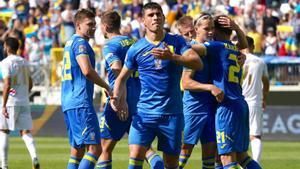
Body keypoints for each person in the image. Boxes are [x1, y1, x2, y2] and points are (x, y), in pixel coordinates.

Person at [112, 2, 203, 169]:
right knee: (135, 158)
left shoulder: (176, 41)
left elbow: (197, 63)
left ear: (163, 17)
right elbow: (121, 78)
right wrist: (117, 98)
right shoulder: (136, 48)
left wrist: (173, 57)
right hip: (144, 113)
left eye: (158, 14)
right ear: (143, 21)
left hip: (172, 114)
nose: (155, 17)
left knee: (171, 165)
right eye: (151, 15)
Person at [179, 13, 248, 169]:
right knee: (185, 151)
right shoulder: (194, 53)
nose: (210, 32)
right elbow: (186, 83)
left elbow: (239, 47)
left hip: (213, 107)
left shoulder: (213, 49)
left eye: (212, 28)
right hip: (194, 108)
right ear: (196, 29)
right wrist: (210, 87)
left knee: (212, 155)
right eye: (206, 29)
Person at [97, 10, 163, 169]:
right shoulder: (135, 42)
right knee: (145, 148)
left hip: (120, 100)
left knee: (104, 148)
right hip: (141, 100)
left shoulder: (110, 46)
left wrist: (122, 99)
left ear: (105, 27)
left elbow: (117, 68)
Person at [200, 15, 261, 169]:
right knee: (242, 156)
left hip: (227, 106)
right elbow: (244, 44)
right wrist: (236, 27)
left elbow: (193, 48)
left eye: (211, 29)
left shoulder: (217, 46)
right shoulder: (233, 48)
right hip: (240, 104)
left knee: (226, 158)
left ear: (215, 31)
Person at [61, 9, 111, 169]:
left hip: (68, 102)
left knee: (77, 151)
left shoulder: (69, 43)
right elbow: (87, 70)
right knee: (95, 149)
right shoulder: (81, 44)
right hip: (80, 101)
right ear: (77, 25)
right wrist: (106, 86)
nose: (93, 28)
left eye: (94, 25)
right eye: (89, 24)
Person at [0, 37, 40, 169]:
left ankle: (4, 165)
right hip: (24, 101)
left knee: (4, 131)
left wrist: (4, 104)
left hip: (11, 102)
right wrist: (23, 93)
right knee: (25, 132)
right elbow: (30, 84)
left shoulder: (5, 63)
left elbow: (7, 84)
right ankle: (34, 157)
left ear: (7, 47)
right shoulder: (25, 62)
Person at [242, 36, 270, 163]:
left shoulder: (235, 59)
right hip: (254, 101)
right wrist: (264, 98)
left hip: (238, 101)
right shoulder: (260, 62)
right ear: (253, 46)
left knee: (237, 133)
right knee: (255, 135)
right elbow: (266, 82)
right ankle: (256, 164)